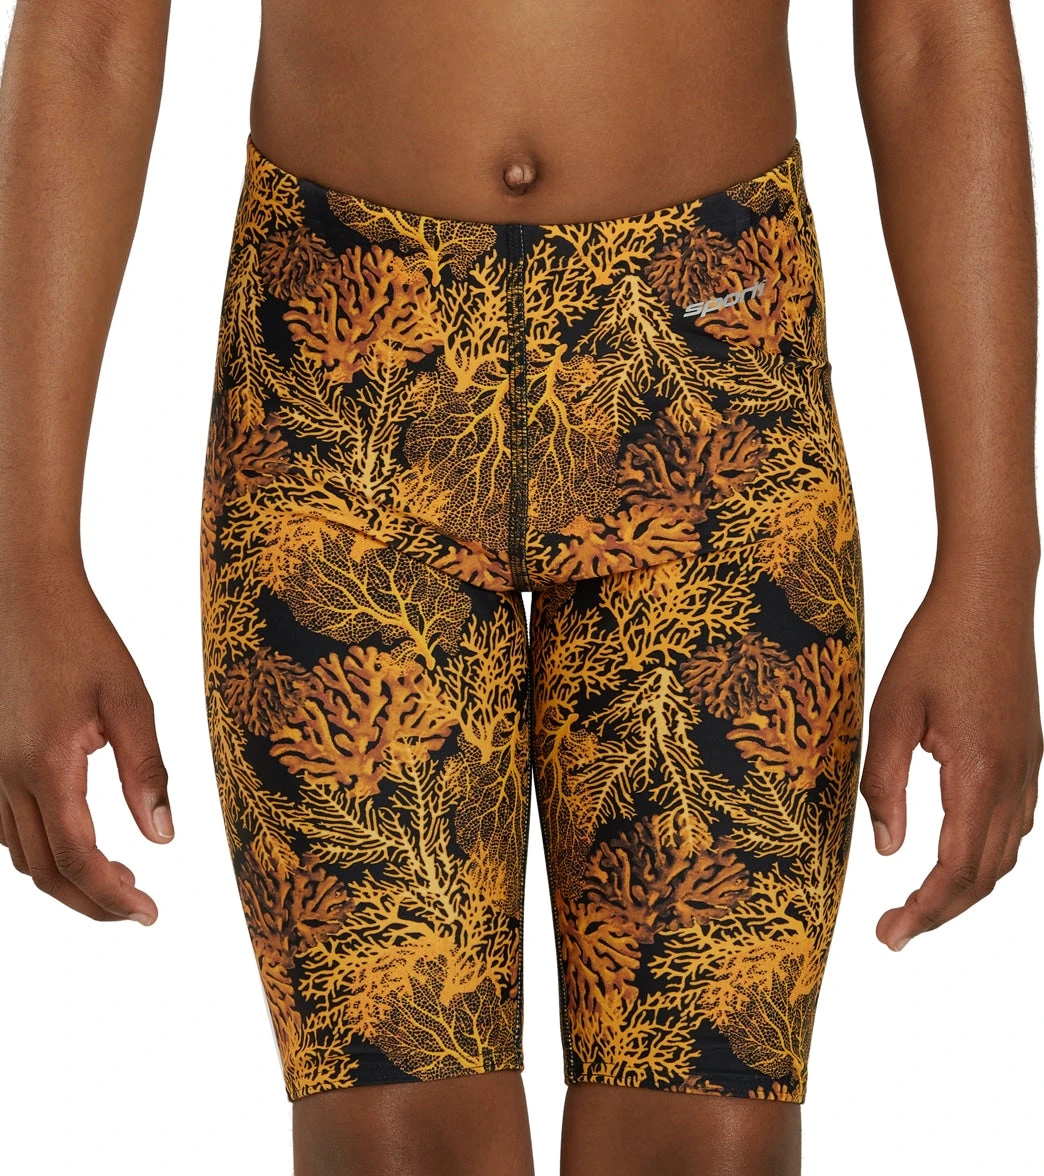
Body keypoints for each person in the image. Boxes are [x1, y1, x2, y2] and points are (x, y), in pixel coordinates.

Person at [0, 1, 1039, 1173]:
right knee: (392, 1140)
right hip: (345, 373)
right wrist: (27, 565)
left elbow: (931, 33)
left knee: (704, 1138)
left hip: (706, 361)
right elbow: (88, 36)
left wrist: (994, 569)